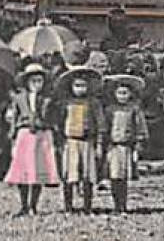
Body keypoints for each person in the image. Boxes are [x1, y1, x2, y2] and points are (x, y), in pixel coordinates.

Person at [5, 63, 59, 216]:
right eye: (33, 81)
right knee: (23, 170)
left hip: (42, 134)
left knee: (38, 170)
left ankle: (33, 205)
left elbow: (54, 117)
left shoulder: (48, 100)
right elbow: (15, 118)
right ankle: (23, 205)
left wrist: (50, 126)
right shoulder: (20, 98)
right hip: (25, 133)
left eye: (40, 81)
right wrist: (13, 136)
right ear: (27, 82)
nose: (37, 85)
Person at [56, 67, 101, 214]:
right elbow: (60, 122)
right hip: (70, 142)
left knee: (87, 175)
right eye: (77, 85)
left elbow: (101, 124)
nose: (80, 89)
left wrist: (99, 143)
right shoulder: (66, 103)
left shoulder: (93, 103)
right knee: (70, 174)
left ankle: (87, 206)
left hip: (87, 142)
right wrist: (60, 141)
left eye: (83, 85)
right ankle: (68, 206)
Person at [103, 75, 147, 213]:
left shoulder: (134, 109)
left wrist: (138, 145)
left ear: (131, 94)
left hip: (127, 147)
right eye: (119, 93)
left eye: (125, 93)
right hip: (113, 146)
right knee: (114, 176)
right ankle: (116, 205)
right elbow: (105, 127)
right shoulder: (110, 110)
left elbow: (140, 128)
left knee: (124, 177)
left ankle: (123, 205)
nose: (122, 96)